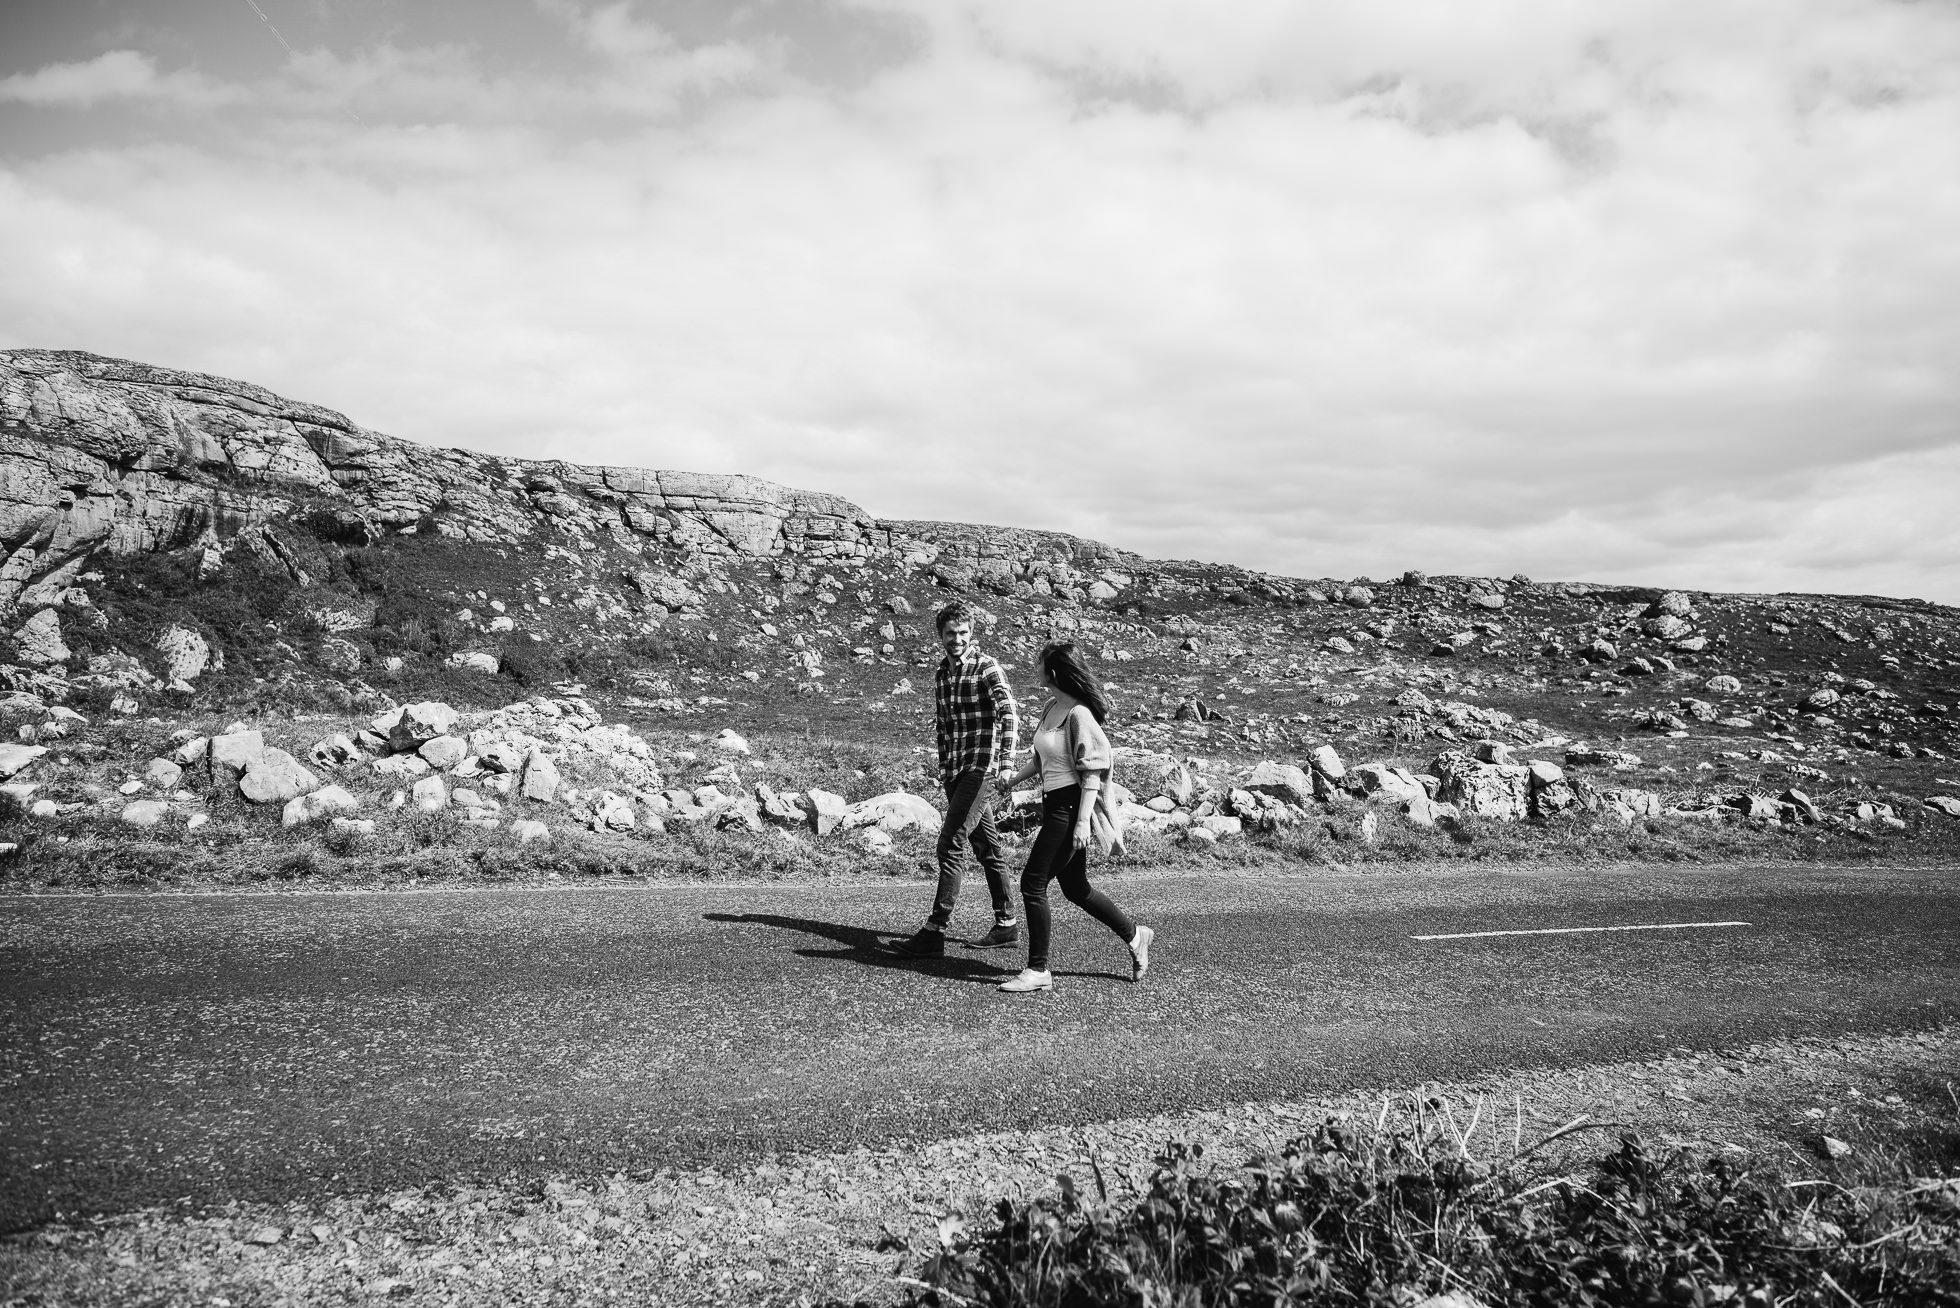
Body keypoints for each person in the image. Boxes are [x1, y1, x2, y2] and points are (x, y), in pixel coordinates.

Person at [992, 642, 1153, 993]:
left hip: (1069, 808)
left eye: (1039, 663)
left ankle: (1038, 971)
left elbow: (1093, 772)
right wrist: (1012, 782)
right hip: (1053, 803)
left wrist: (1082, 823)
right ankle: (1136, 935)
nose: (1034, 668)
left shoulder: (1079, 715)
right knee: (1076, 888)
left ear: (1053, 672)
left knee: (1033, 883)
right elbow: (1040, 759)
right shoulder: (1052, 707)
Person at [884, 600, 1021, 957]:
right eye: (950, 634)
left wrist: (1006, 761)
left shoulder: (987, 667)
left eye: (963, 633)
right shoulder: (942, 675)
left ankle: (934, 932)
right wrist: (945, 772)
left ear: (971, 634)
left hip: (982, 769)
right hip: (956, 771)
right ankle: (1006, 924)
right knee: (987, 848)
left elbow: (1009, 713)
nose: (957, 639)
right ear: (940, 635)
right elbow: (945, 727)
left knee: (950, 843)